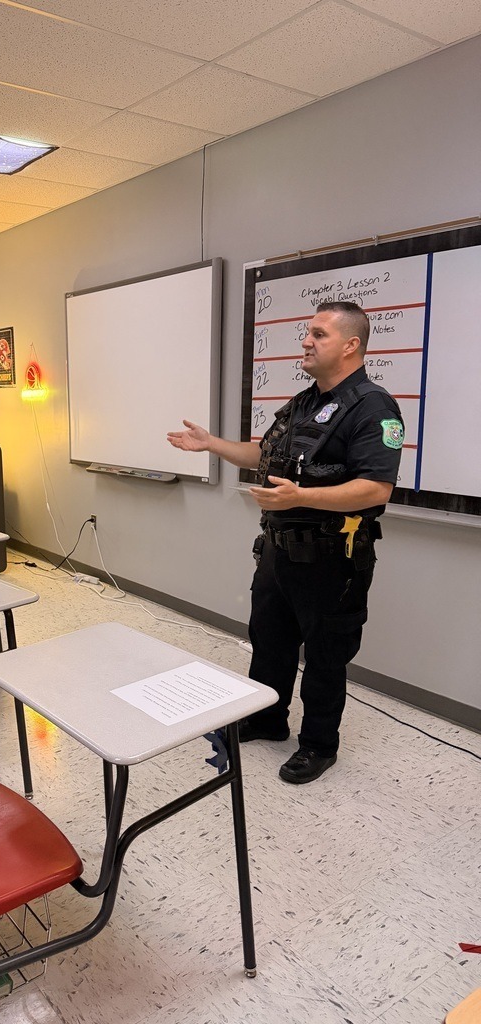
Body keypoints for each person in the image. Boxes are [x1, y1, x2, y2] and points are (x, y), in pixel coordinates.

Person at [168, 300, 404, 784]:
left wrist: (304, 496)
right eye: (308, 333)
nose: (306, 341)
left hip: (331, 558)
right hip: (278, 551)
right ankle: (267, 719)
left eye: (318, 334)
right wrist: (213, 444)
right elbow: (264, 453)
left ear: (350, 344)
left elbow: (376, 488)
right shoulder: (306, 401)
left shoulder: (373, 406)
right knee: (269, 642)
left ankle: (318, 745)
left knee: (323, 655)